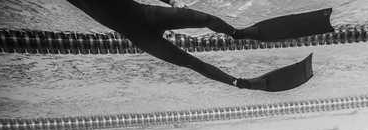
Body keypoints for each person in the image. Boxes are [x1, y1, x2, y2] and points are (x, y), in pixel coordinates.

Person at [65, 0, 334, 91]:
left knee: (205, 20)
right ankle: (238, 82)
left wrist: (168, 1)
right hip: (141, 36)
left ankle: (237, 34)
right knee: (193, 63)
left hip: (146, 15)